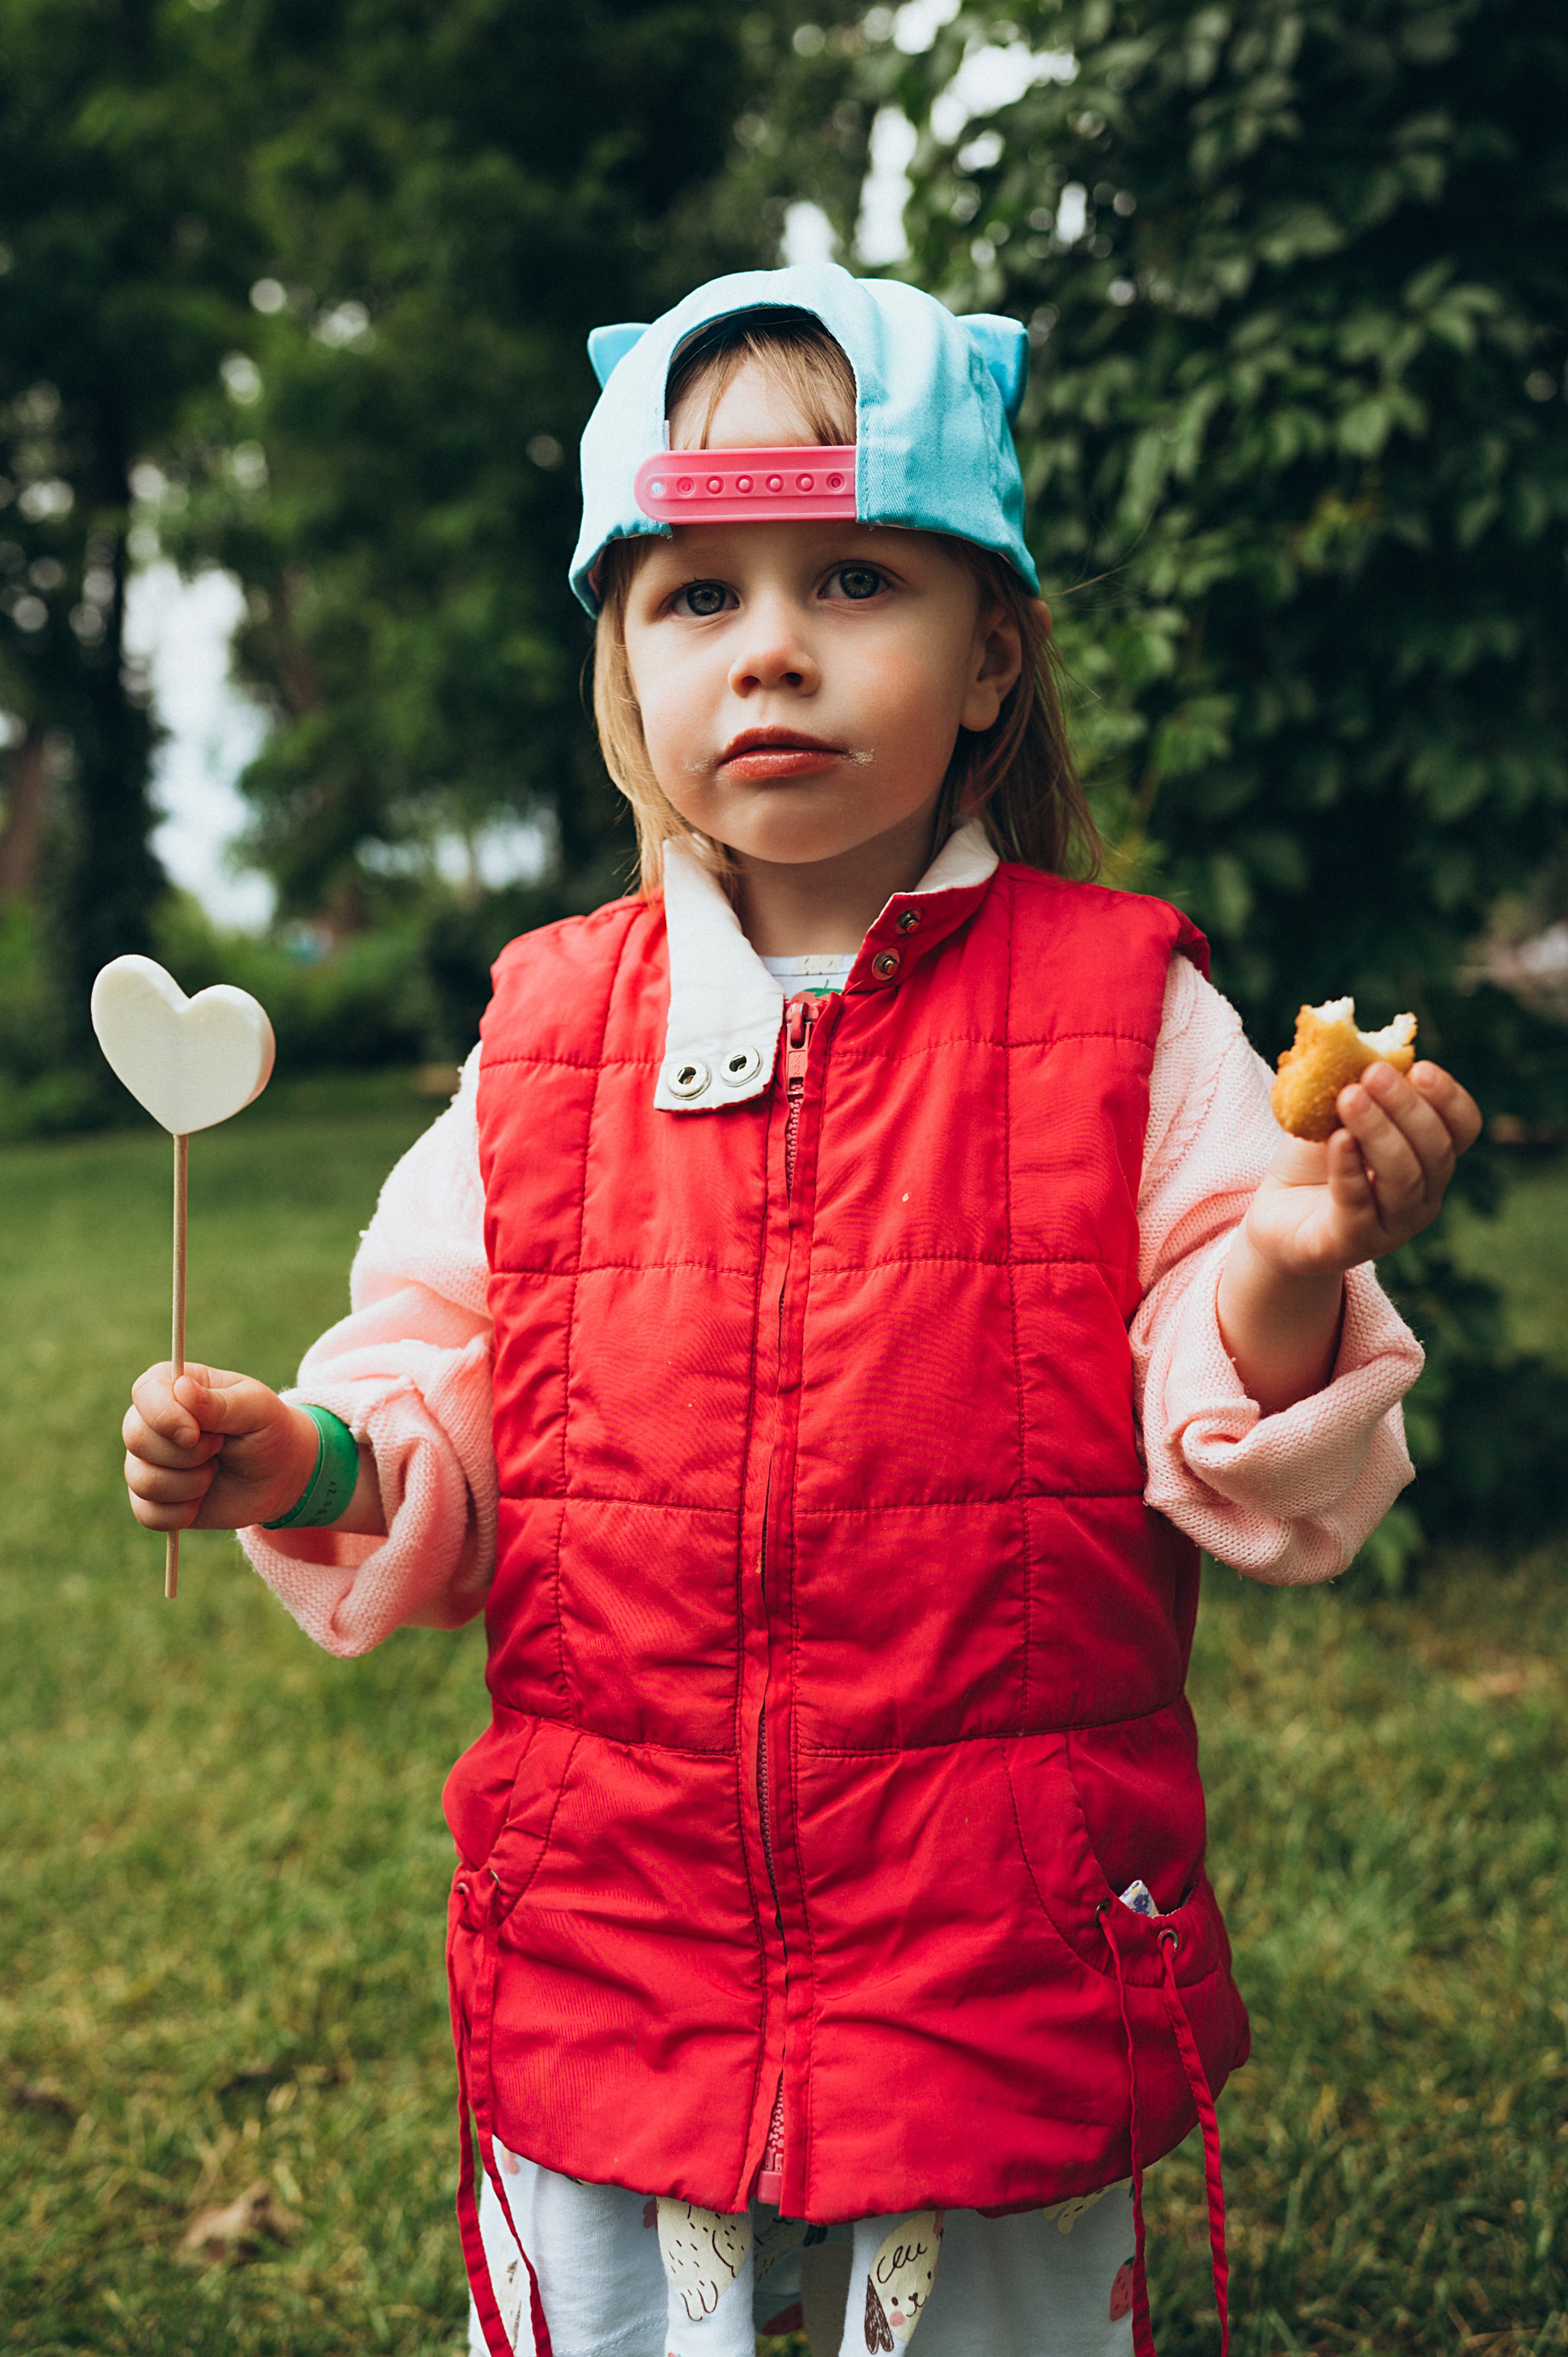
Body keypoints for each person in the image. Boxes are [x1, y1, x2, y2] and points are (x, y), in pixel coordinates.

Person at [120, 265, 1480, 2357]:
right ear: (623, 663)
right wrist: (301, 1454)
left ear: (991, 657)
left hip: (999, 1908)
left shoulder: (1129, 1016)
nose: (771, 648)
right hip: (622, 1900)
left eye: (851, 578)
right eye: (698, 595)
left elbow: (1232, 1436)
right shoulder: (552, 1040)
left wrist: (1291, 1265)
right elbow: (445, 1414)